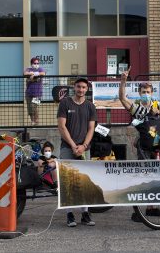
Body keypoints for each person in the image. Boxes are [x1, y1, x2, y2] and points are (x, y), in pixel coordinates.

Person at [119, 67, 160, 220]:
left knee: (158, 177)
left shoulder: (157, 104)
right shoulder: (136, 106)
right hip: (143, 146)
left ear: (152, 92)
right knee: (143, 177)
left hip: (159, 145)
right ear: (139, 93)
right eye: (143, 92)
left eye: (148, 92)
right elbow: (122, 99)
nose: (146, 94)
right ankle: (137, 211)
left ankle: (152, 208)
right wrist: (123, 82)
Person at [57, 78, 97, 227]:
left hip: (84, 148)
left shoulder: (90, 106)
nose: (81, 90)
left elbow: (91, 128)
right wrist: (73, 145)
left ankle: (85, 214)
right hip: (68, 148)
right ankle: (69, 214)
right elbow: (62, 126)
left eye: (84, 87)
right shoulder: (65, 103)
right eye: (78, 87)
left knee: (85, 181)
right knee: (67, 181)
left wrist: (84, 146)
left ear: (87, 89)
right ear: (74, 87)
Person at [24, 57, 46, 125]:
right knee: (30, 108)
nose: (36, 64)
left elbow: (43, 73)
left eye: (37, 63)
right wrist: (32, 74)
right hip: (29, 93)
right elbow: (25, 73)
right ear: (31, 64)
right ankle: (32, 121)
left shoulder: (40, 69)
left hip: (37, 94)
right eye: (34, 63)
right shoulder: (28, 69)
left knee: (34, 107)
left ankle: (36, 121)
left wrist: (35, 74)